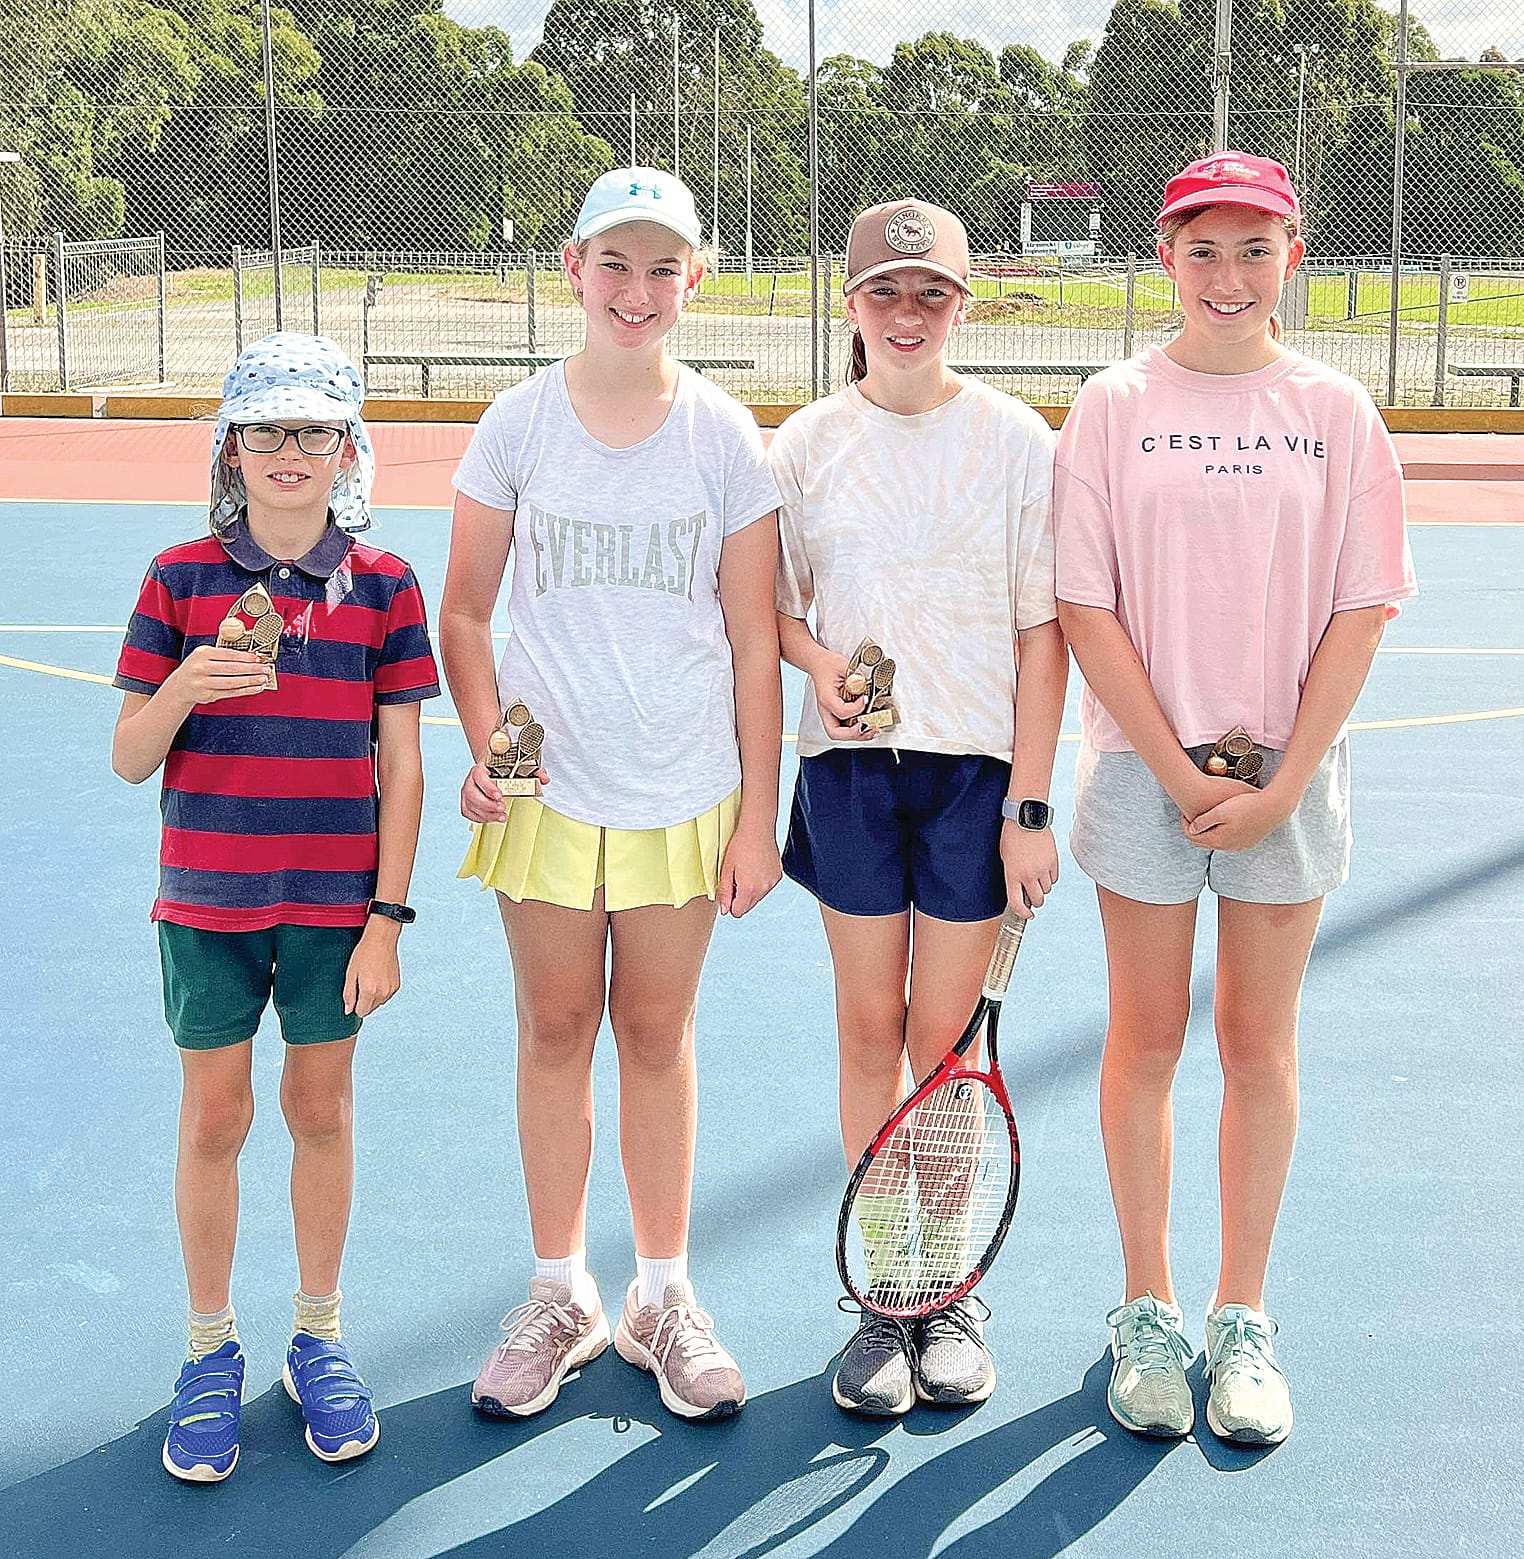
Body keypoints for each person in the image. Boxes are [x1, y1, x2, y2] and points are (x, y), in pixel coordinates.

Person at [1054, 154, 1417, 1446]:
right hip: (1143, 775)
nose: (1227, 274)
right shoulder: (1111, 404)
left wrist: (1288, 779)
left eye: (1252, 248)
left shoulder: (1336, 409)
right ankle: (1146, 1306)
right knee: (1145, 1042)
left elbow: (1361, 605)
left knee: (1259, 1047)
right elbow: (1083, 604)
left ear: (1293, 256)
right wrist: (1169, 767)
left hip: (1288, 782)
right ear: (1163, 257)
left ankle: (1241, 1312)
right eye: (1201, 249)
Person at [440, 167, 782, 1423]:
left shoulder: (725, 437)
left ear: (695, 279)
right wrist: (491, 745)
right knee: (551, 1027)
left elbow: (754, 639)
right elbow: (465, 610)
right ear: (573, 267)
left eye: (663, 268)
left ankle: (662, 1294)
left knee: (656, 1033)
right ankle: (560, 1292)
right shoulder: (519, 424)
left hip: (680, 792)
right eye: (616, 264)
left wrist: (758, 812)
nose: (637, 291)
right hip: (547, 795)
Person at [111, 334, 440, 1480]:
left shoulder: (388, 586)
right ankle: (209, 1347)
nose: (289, 452)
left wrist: (388, 916)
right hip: (206, 901)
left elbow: (403, 765)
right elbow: (127, 757)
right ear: (231, 448)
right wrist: (187, 683)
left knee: (322, 1107)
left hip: (332, 906)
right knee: (215, 1117)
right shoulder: (179, 577)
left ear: (350, 447)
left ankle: (318, 1333)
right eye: (266, 431)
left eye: (313, 431)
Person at [771, 199, 1068, 1416]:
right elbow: (775, 606)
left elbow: (1043, 636)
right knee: (864, 1028)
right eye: (884, 293)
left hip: (973, 778)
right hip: (848, 771)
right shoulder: (800, 443)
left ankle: (940, 1285)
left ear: (964, 304)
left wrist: (1032, 809)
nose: (907, 314)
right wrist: (814, 658)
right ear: (850, 305)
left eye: (930, 293)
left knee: (945, 1055)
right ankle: (882, 1291)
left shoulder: (1014, 440)